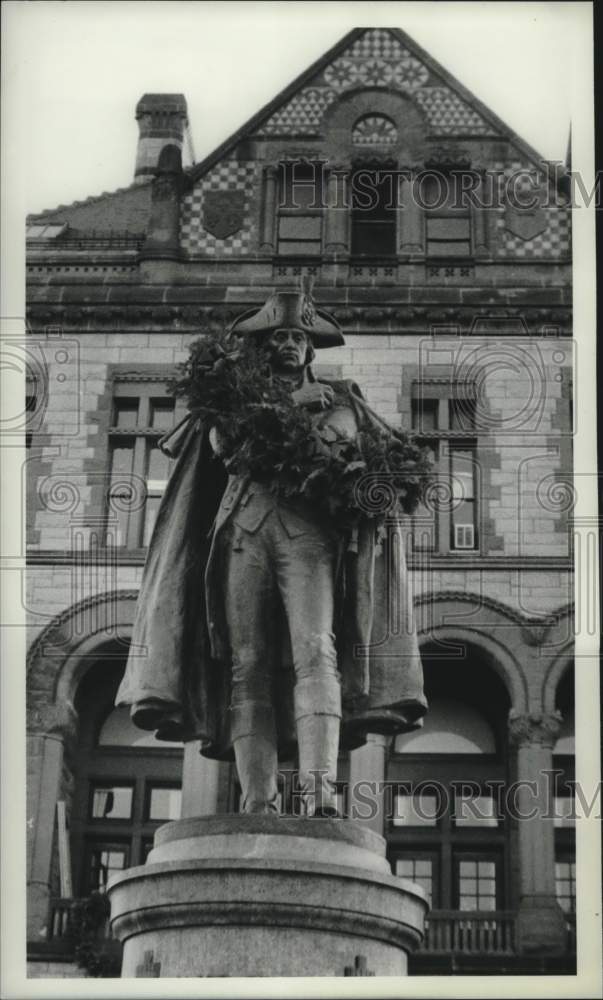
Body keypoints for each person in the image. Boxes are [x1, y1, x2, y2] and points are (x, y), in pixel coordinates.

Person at [116, 289, 427, 817]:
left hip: (311, 540)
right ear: (264, 346)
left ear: (311, 349)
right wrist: (292, 409)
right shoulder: (231, 401)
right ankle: (259, 798)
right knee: (247, 666)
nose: (288, 344)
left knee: (317, 650)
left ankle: (320, 787)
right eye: (278, 336)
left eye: (298, 337)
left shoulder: (346, 400)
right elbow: (229, 446)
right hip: (243, 532)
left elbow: (389, 459)